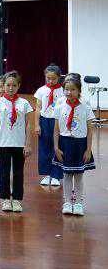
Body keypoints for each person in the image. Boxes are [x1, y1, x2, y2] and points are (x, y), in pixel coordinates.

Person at [0, 71, 34, 213]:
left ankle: (17, 200)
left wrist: (28, 144)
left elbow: (29, 125)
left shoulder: (24, 103)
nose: (10, 88)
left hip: (19, 143)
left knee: (18, 172)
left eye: (14, 85)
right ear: (4, 86)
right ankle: (6, 199)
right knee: (4, 172)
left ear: (18, 86)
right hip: (4, 143)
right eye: (8, 85)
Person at [53, 77, 96, 216]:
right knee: (66, 175)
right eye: (66, 89)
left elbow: (90, 131)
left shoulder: (85, 108)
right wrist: (56, 147)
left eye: (73, 89)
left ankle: (78, 203)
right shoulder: (59, 107)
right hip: (65, 144)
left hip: (80, 144)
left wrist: (88, 149)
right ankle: (67, 202)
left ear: (79, 91)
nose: (69, 92)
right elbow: (56, 130)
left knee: (78, 175)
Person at [34, 64, 64, 188]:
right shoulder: (41, 90)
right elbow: (38, 108)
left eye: (53, 79)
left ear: (58, 78)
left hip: (57, 122)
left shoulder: (63, 91)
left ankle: (56, 175)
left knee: (57, 147)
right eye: (48, 78)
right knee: (44, 148)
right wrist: (37, 125)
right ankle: (46, 174)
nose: (50, 81)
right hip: (44, 121)